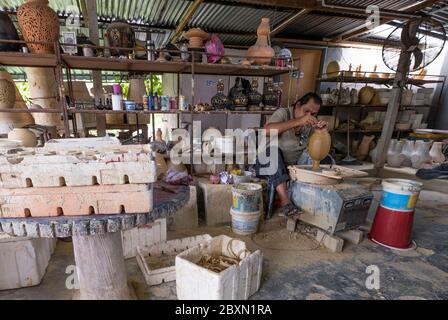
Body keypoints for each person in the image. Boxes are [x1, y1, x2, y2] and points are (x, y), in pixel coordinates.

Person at [256, 92, 328, 217]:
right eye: (306, 111)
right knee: (271, 152)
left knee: (325, 158)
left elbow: (315, 149)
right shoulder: (283, 113)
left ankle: (311, 201)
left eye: (313, 114)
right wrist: (298, 121)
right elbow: (266, 131)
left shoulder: (309, 125)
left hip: (294, 165)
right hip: (269, 163)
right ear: (298, 105)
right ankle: (285, 201)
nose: (309, 116)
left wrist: (320, 132)